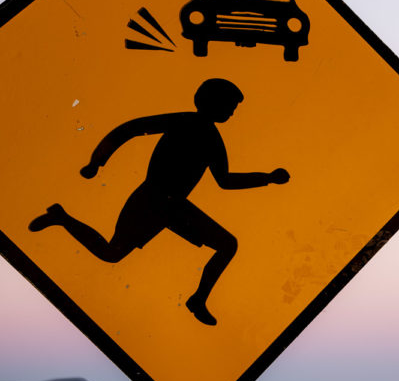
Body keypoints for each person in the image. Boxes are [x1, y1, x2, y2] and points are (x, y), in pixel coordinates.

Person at [29, 78, 289, 326]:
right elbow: (130, 129)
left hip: (175, 206)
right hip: (151, 199)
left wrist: (267, 178)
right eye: (230, 106)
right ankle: (61, 218)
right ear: (211, 102)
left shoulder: (213, 139)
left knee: (227, 244)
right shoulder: (183, 122)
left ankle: (198, 299)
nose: (232, 113)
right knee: (112, 253)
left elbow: (225, 180)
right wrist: (97, 161)